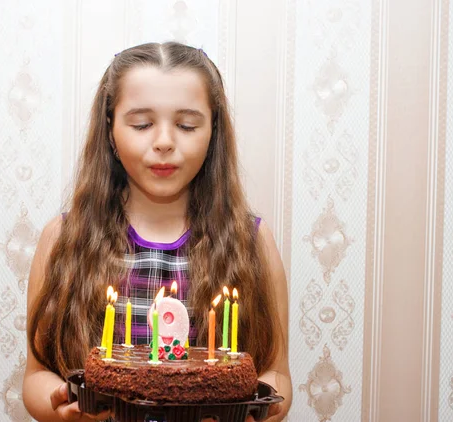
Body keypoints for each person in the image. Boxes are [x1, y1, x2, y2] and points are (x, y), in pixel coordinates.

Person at [23, 41, 292, 422]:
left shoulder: (252, 243)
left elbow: (276, 373)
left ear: (213, 132)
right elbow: (36, 375)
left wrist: (256, 412)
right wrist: (64, 408)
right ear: (111, 130)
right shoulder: (63, 239)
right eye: (142, 124)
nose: (164, 141)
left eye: (186, 125)